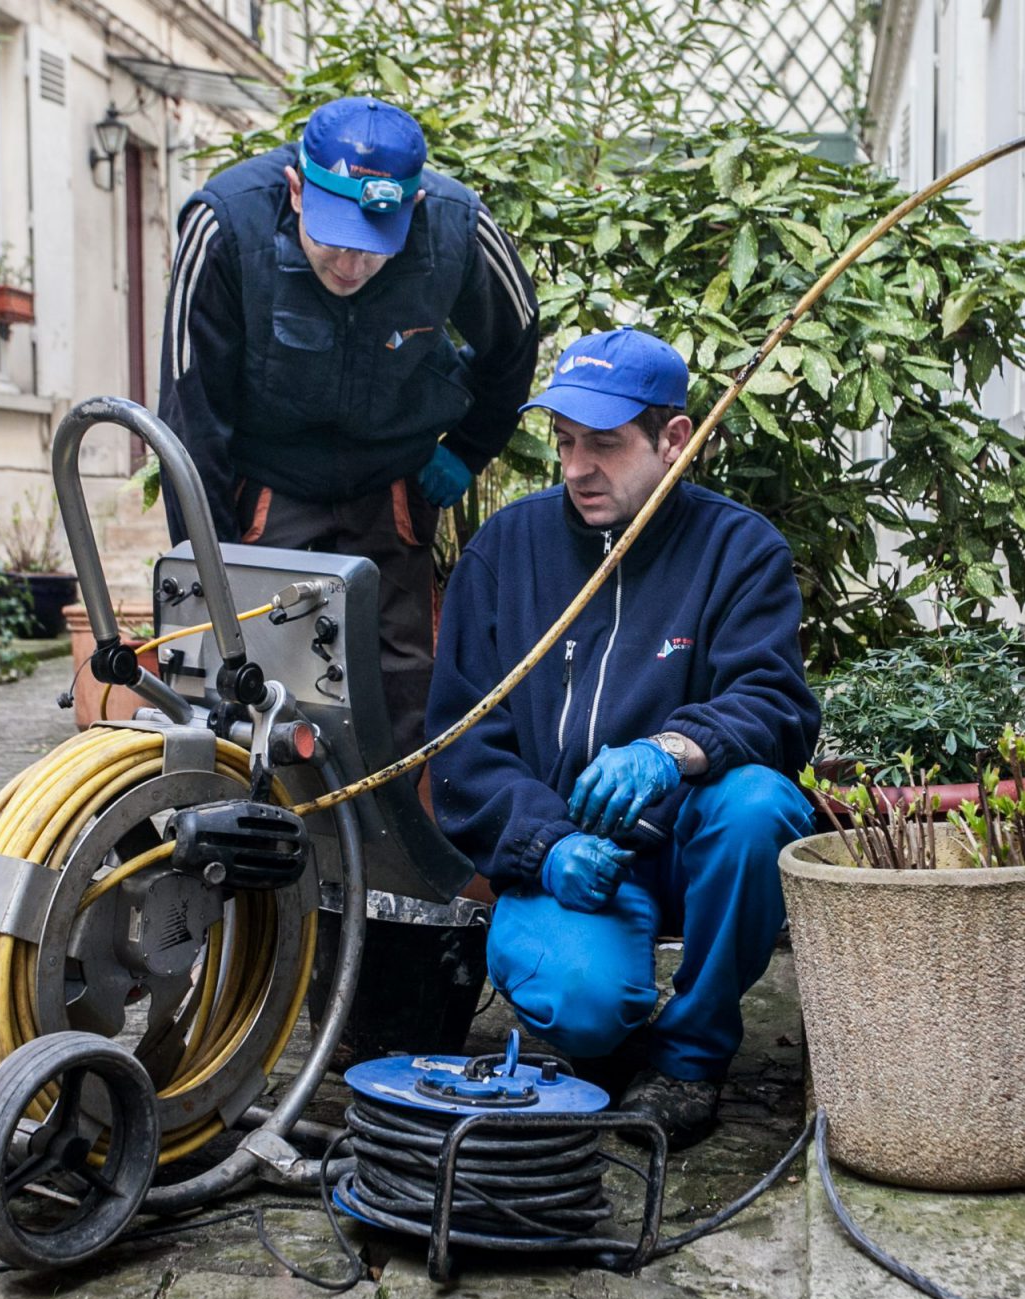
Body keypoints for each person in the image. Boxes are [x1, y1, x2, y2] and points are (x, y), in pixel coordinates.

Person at [425, 327, 820, 1148]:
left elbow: (777, 704)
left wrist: (671, 751)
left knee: (761, 808)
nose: (575, 468)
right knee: (581, 1004)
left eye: (604, 444)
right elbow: (463, 745)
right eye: (564, 442)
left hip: (689, 841)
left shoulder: (737, 550)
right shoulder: (506, 551)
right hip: (571, 856)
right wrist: (543, 845)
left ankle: (690, 1055)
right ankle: (616, 1033)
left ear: (674, 439)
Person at [158, 95, 540, 755]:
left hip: (390, 478)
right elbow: (191, 418)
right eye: (336, 241)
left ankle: (383, 843)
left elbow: (518, 338)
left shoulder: (458, 229)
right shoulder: (226, 228)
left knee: (397, 680)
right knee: (252, 669)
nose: (352, 266)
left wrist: (471, 448)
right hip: (266, 480)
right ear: (298, 190)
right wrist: (210, 572)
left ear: (413, 211)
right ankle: (261, 832)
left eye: (374, 249)